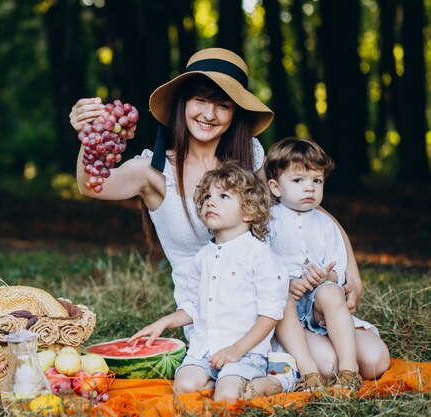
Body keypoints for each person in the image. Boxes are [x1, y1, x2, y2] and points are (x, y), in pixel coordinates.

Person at [68, 48, 380, 390]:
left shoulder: (248, 158)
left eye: (223, 104)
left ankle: (302, 338)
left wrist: (353, 272)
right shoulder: (153, 172)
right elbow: (92, 185)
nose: (209, 113)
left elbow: (301, 205)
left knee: (373, 360)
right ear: (182, 104)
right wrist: (89, 136)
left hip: (273, 297)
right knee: (326, 364)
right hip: (219, 314)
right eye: (200, 100)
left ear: (235, 114)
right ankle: (284, 368)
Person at [128, 162, 291, 402]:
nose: (210, 202)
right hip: (204, 349)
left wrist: (236, 350)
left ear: (249, 212)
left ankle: (278, 381)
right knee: (183, 386)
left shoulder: (259, 254)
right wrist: (163, 323)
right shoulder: (202, 257)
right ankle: (219, 379)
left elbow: (271, 314)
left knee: (228, 397)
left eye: (223, 196)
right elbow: (193, 307)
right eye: (206, 197)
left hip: (245, 352)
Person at [265, 137, 390, 389]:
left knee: (332, 292)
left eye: (317, 181)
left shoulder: (326, 225)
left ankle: (349, 369)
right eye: (298, 180)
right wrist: (289, 283)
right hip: (287, 317)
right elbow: (260, 268)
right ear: (275, 187)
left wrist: (325, 278)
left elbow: (338, 273)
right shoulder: (267, 222)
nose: (309, 188)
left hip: (322, 313)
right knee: (280, 297)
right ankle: (308, 371)